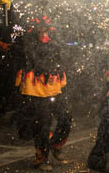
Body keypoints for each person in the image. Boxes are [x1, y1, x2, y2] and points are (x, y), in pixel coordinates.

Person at [15, 16, 72, 171]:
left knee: (66, 118)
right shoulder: (29, 43)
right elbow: (31, 57)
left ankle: (56, 145)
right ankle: (42, 158)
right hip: (37, 89)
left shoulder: (55, 43)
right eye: (40, 29)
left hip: (55, 86)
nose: (43, 32)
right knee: (43, 124)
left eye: (46, 29)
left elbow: (62, 58)